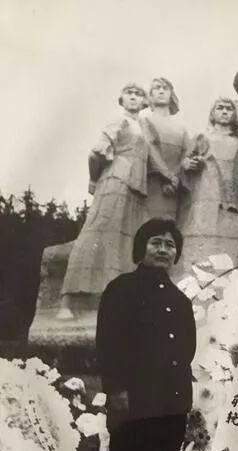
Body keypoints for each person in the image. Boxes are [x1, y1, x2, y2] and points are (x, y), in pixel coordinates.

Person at [97, 218, 196, 451]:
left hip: (170, 409)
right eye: (156, 242)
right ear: (141, 249)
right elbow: (108, 343)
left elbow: (187, 350)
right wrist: (116, 390)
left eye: (170, 245)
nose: (164, 249)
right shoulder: (121, 289)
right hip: (133, 407)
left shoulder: (180, 300)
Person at [58, 83, 174, 320]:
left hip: (135, 187)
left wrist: (170, 177)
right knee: (96, 232)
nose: (133, 97)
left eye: (138, 94)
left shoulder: (142, 126)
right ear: (121, 98)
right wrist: (93, 180)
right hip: (115, 179)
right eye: (129, 93)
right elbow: (96, 152)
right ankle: (68, 300)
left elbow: (152, 158)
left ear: (144, 103)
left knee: (125, 242)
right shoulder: (118, 120)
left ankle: (111, 299)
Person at [181, 97, 238, 270]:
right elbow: (184, 161)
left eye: (229, 108)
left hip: (232, 198)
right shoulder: (203, 137)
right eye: (220, 108)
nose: (224, 111)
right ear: (212, 113)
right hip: (204, 194)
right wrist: (187, 164)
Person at [143, 77, 201, 221]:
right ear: (150, 96)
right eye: (157, 88)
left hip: (174, 191)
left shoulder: (182, 128)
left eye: (165, 88)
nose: (161, 91)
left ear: (171, 95)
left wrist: (180, 175)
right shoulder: (143, 122)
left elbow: (189, 154)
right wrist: (168, 178)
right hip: (149, 187)